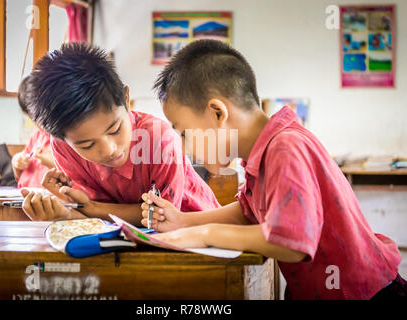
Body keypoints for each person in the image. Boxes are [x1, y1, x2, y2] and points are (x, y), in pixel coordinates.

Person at [140, 39, 405, 299]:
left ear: (218, 113)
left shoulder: (285, 147)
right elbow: (249, 212)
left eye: (184, 133)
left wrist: (204, 233)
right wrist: (184, 221)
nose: (185, 148)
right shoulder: (263, 152)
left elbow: (290, 241)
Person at [20, 42, 220, 225]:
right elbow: (92, 214)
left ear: (126, 98)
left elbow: (160, 219)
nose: (109, 149)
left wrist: (90, 209)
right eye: (87, 145)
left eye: (114, 129)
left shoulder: (159, 139)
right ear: (61, 138)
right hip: (123, 237)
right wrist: (68, 209)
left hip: (200, 231)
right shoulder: (64, 147)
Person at [11, 76, 55, 188]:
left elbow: (75, 178)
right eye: (32, 118)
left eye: (40, 116)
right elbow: (21, 172)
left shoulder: (64, 138)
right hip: (24, 195)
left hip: (48, 199)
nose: (37, 123)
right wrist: (17, 163)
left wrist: (53, 163)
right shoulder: (37, 134)